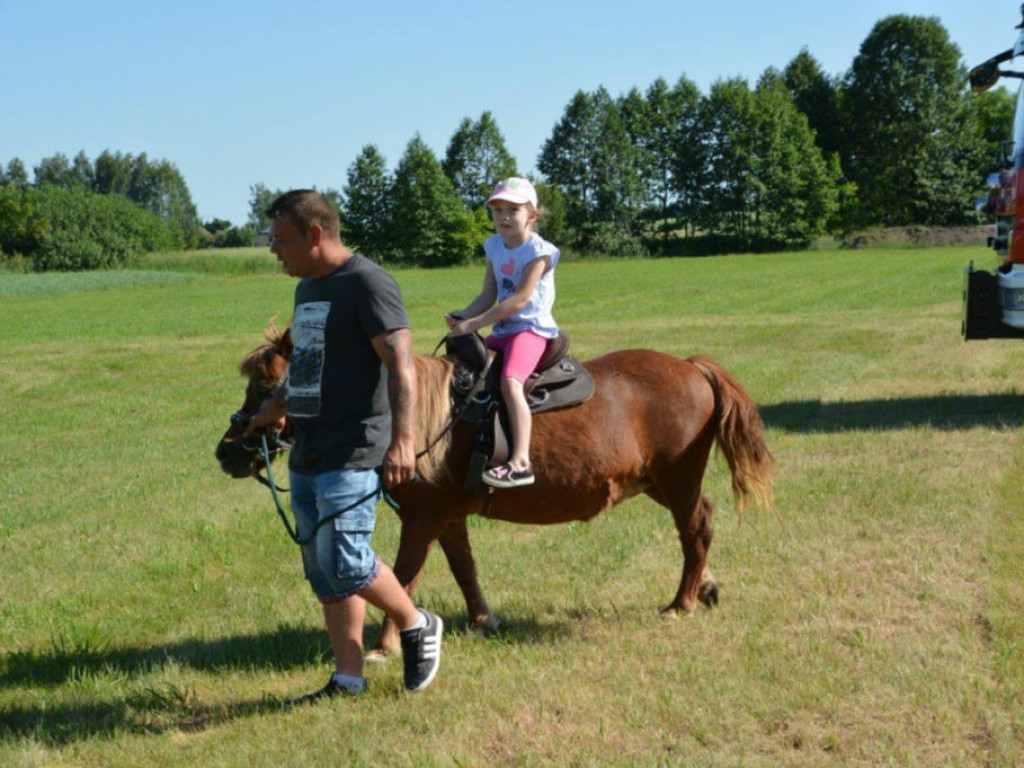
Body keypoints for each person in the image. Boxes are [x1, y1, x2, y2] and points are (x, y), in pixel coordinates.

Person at [245, 189, 442, 704]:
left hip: (356, 445)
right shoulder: (308, 288)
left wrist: (403, 439)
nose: (273, 250)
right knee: (324, 570)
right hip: (311, 445)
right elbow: (307, 361)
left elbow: (400, 366)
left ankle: (416, 621)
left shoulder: (368, 283)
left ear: (315, 234)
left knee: (349, 560)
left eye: (281, 240)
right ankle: (348, 678)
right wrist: (277, 407)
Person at [445, 177, 560, 489]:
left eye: (513, 209)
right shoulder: (494, 246)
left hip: (530, 329)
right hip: (503, 329)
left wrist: (475, 324)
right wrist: (463, 316)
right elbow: (488, 294)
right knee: (462, 369)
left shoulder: (539, 252)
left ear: (532, 215)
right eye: (497, 210)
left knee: (511, 383)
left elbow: (520, 299)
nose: (504, 217)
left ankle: (520, 461)